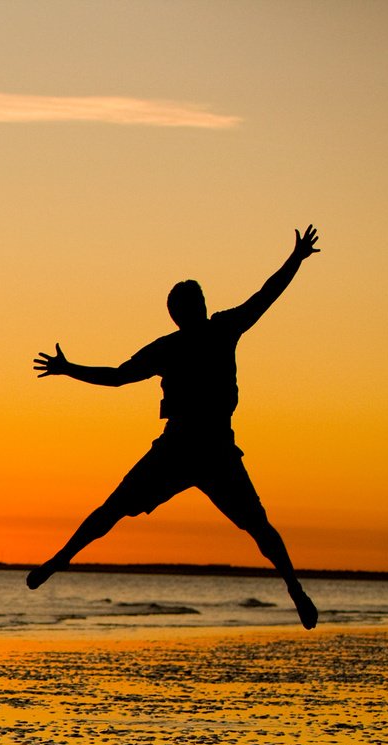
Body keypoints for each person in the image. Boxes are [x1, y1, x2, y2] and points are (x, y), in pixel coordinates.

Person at [29, 227, 322, 629]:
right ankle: (59, 560)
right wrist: (69, 368)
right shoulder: (172, 345)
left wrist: (295, 260)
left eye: (195, 302)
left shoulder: (222, 328)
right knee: (114, 508)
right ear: (178, 313)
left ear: (199, 307)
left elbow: (265, 296)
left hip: (214, 449)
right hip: (180, 446)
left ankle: (295, 589)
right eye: (187, 305)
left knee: (257, 525)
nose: (193, 309)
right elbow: (117, 376)